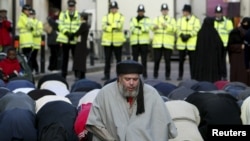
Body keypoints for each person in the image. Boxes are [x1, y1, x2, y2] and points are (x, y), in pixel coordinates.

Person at [86, 60, 177, 141]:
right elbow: (94, 123)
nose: (131, 83)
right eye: (127, 79)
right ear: (119, 79)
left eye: (135, 79)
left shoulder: (151, 93)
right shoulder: (106, 93)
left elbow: (162, 125)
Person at [193, 17, 224, 82]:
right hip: (212, 58)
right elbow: (220, 44)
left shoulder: (201, 32)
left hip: (202, 57)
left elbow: (197, 46)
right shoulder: (214, 32)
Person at [101, 1, 125, 81]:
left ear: (117, 9)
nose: (113, 10)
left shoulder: (121, 16)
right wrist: (113, 26)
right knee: (107, 60)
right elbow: (104, 26)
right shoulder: (106, 16)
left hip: (117, 42)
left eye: (115, 8)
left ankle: (120, 75)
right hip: (107, 42)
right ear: (110, 9)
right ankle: (106, 75)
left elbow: (119, 26)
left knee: (119, 60)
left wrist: (109, 26)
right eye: (112, 8)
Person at [56, 0, 81, 78]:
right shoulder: (63, 14)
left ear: (74, 6)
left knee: (75, 58)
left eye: (72, 6)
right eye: (70, 6)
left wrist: (73, 33)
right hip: (65, 39)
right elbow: (60, 25)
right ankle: (64, 74)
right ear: (68, 7)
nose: (71, 8)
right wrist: (66, 32)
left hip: (74, 39)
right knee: (65, 58)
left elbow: (79, 25)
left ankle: (77, 74)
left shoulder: (78, 15)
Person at [152, 3, 176, 80]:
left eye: (166, 10)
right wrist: (154, 27)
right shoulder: (157, 18)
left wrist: (166, 26)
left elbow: (174, 29)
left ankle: (167, 76)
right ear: (161, 11)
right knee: (157, 60)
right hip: (157, 43)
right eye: (163, 10)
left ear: (168, 11)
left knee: (167, 61)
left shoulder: (172, 19)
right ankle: (155, 75)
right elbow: (151, 27)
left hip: (168, 43)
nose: (164, 11)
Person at [176, 4, 201, 81]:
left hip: (191, 44)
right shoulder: (180, 20)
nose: (184, 13)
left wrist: (189, 35)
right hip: (182, 43)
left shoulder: (195, 20)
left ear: (189, 12)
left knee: (192, 62)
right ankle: (180, 75)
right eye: (183, 11)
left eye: (185, 11)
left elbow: (197, 28)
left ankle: (193, 76)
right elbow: (177, 28)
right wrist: (181, 35)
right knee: (181, 61)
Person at [129, 4, 151, 79]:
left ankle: (144, 73)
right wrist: (141, 29)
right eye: (139, 11)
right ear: (137, 12)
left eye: (142, 11)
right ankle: (135, 73)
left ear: (144, 12)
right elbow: (131, 28)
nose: (140, 13)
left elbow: (147, 28)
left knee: (144, 59)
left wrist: (138, 28)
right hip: (135, 42)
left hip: (143, 42)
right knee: (135, 59)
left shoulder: (147, 19)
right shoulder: (133, 19)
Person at [228, 17, 250, 85]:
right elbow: (230, 46)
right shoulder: (235, 32)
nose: (245, 24)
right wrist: (240, 47)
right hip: (237, 59)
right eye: (244, 23)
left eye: (247, 23)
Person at [214, 4, 234, 80]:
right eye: (217, 12)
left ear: (222, 13)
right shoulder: (213, 21)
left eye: (219, 13)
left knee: (222, 61)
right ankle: (217, 75)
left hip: (224, 45)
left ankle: (224, 76)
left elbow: (231, 33)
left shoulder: (227, 22)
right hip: (215, 45)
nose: (218, 14)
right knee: (216, 61)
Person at [73, 12, 90, 80]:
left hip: (81, 45)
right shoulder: (84, 25)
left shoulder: (83, 25)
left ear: (82, 17)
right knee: (80, 60)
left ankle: (80, 75)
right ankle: (82, 75)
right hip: (81, 44)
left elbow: (77, 32)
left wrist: (72, 34)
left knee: (79, 60)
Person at [45, 7, 62, 72]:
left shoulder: (56, 19)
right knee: (54, 54)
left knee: (57, 54)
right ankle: (52, 67)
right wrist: (59, 24)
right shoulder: (51, 19)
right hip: (52, 40)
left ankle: (56, 66)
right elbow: (56, 26)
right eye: (57, 12)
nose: (57, 14)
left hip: (57, 40)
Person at [29, 8, 43, 75]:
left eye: (32, 14)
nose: (31, 15)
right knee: (30, 57)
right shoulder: (28, 21)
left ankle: (36, 69)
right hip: (29, 43)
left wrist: (32, 33)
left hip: (36, 43)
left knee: (33, 57)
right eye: (30, 14)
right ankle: (32, 69)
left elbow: (40, 32)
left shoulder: (38, 22)